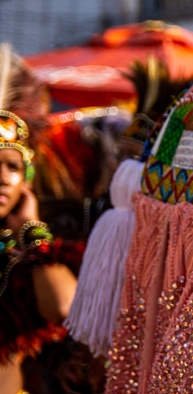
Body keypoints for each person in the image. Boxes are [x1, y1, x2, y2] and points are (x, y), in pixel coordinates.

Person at [0, 109, 81, 394]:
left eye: (13, 167)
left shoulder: (19, 260)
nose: (3, 178)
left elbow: (63, 308)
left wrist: (32, 231)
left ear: (27, 180)